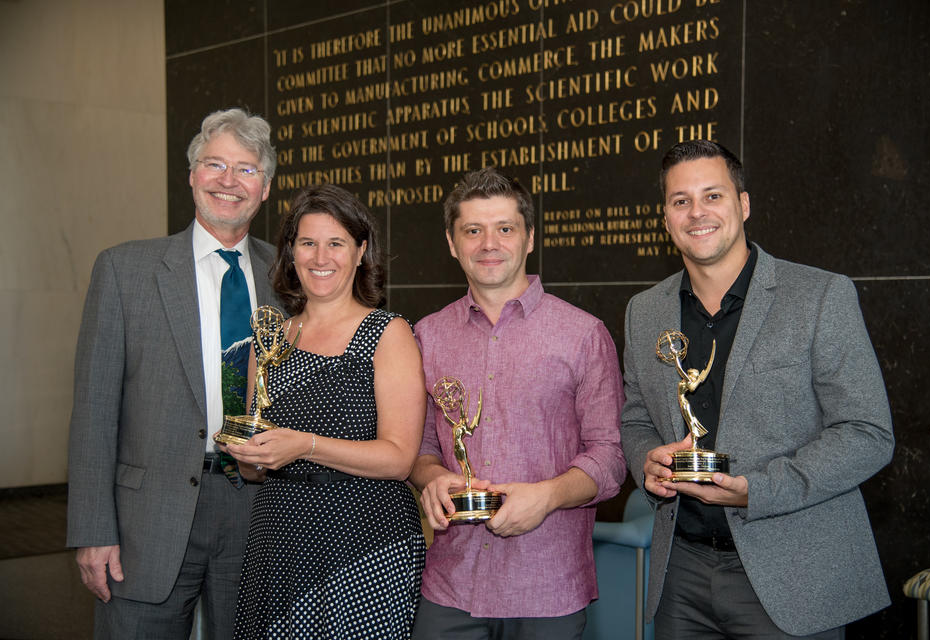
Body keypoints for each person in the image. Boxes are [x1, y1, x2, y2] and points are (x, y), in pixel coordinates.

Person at [620, 140, 894, 638]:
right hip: (679, 574)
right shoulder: (646, 312)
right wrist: (647, 459)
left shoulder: (820, 296)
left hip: (793, 574)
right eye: (680, 200)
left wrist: (756, 491)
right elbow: (636, 418)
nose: (696, 212)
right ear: (665, 218)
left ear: (743, 205)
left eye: (713, 196)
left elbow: (867, 433)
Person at [67, 108, 280, 638]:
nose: (228, 181)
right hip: (147, 520)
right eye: (214, 164)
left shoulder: (290, 276)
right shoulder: (124, 270)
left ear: (267, 188)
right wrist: (93, 530)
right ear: (191, 175)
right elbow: (94, 410)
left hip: (259, 509)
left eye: (246, 169)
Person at [410, 166, 627, 639]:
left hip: (547, 584)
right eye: (473, 230)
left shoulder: (583, 334)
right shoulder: (426, 336)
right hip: (451, 583)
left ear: (529, 238)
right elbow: (421, 449)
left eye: (505, 228)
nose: (489, 243)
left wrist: (546, 497)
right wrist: (431, 479)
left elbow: (610, 458)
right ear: (452, 243)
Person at [221, 184, 427, 639]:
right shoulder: (268, 338)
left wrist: (305, 445)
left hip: (365, 540)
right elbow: (256, 469)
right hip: (279, 537)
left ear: (360, 252)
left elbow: (399, 460)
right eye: (308, 243)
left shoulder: (388, 334)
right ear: (290, 253)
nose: (321, 257)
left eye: (336, 243)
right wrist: (248, 456)